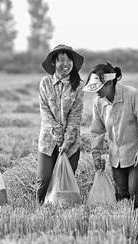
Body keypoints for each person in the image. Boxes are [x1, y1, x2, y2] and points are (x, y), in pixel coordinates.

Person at [84, 62, 138, 212]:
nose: (95, 92)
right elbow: (97, 131)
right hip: (117, 155)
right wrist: (96, 154)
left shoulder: (132, 95)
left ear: (109, 83)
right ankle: (128, 227)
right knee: (121, 194)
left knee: (135, 190)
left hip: (137, 150)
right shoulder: (98, 103)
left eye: (98, 87)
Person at [37, 44, 85, 204]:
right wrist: (58, 136)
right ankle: (40, 211)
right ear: (53, 63)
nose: (66, 63)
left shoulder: (78, 85)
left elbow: (75, 117)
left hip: (70, 144)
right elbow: (45, 112)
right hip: (48, 141)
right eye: (61, 60)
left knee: (65, 183)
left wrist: (66, 141)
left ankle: (63, 213)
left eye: (69, 60)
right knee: (43, 179)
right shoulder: (45, 83)